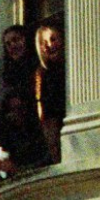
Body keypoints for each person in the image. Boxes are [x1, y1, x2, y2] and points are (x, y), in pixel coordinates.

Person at [0, 23, 51, 175]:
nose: (12, 46)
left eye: (16, 40)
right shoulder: (9, 78)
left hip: (38, 139)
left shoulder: (39, 72)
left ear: (26, 40)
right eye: (8, 43)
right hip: (18, 146)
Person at [32, 19, 66, 164]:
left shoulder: (68, 69)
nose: (49, 45)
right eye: (43, 42)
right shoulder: (42, 74)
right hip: (52, 122)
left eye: (53, 39)